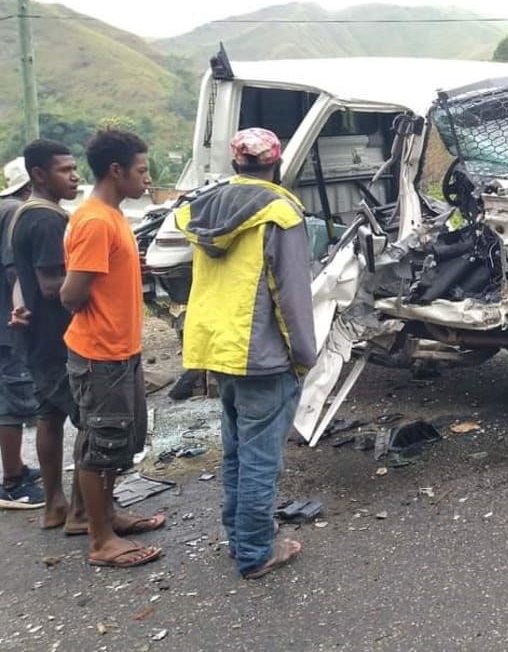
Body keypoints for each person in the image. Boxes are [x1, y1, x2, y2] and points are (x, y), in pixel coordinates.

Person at [176, 127, 316, 579]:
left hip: (218, 348)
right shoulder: (280, 212)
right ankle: (256, 553)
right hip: (263, 354)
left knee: (236, 453)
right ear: (275, 164)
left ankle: (240, 538)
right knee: (260, 458)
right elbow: (291, 294)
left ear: (235, 163)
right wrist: (305, 354)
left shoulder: (205, 207)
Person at [60, 129, 164, 568]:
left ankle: (99, 515)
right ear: (116, 171)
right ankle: (100, 540)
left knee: (112, 439)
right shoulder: (96, 221)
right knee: (103, 442)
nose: (148, 178)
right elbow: (71, 294)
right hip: (101, 352)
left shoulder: (113, 214)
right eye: (141, 170)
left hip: (118, 349)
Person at [9, 140, 85, 528]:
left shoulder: (28, 214)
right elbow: (54, 285)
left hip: (38, 336)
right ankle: (84, 510)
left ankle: (55, 503)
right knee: (89, 419)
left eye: (74, 168)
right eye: (64, 170)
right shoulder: (46, 220)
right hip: (57, 338)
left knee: (49, 415)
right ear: (39, 175)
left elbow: (19, 275)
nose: (75, 176)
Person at [0, 158, 42, 508]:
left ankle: (18, 469)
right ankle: (13, 481)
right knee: (14, 401)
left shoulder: (4, 207)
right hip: (8, 324)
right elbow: (15, 271)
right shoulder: (16, 212)